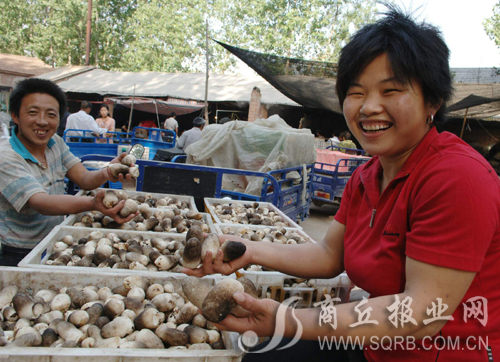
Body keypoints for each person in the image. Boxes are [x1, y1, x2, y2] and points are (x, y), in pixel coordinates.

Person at [183, 9, 500, 362]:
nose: (369, 107)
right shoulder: (367, 177)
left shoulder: (457, 177)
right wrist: (249, 249)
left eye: (391, 90)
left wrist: (286, 319)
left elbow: (421, 314)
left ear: (433, 101)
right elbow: (330, 256)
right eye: (356, 92)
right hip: (376, 348)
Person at [0, 78, 137, 266]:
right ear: (15, 116)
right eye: (33, 113)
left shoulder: (55, 143)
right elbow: (40, 202)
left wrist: (108, 171)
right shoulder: (6, 156)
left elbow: (84, 178)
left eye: (51, 114)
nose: (42, 122)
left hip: (53, 243)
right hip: (18, 252)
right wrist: (92, 203)